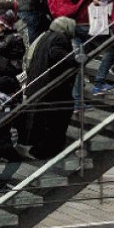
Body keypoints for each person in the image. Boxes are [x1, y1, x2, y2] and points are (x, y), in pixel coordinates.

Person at [18, 17, 80, 160]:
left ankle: (40, 150)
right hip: (51, 89)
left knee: (45, 121)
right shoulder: (59, 39)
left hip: (38, 86)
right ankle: (48, 152)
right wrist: (76, 60)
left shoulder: (45, 36)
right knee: (56, 122)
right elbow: (57, 55)